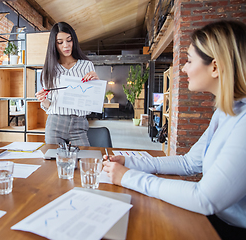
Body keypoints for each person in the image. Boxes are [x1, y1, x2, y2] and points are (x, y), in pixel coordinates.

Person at [103, 20, 246, 239]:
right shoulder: (224, 113)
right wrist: (129, 162)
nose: (183, 67)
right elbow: (188, 163)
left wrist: (127, 177)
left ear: (215, 67)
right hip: (215, 221)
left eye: (189, 60)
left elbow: (204, 199)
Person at [35, 22, 99, 146]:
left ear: (73, 40)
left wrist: (96, 84)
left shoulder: (86, 65)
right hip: (55, 123)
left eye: (69, 40)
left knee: (83, 160)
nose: (66, 45)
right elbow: (49, 105)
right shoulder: (49, 69)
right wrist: (43, 100)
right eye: (60, 42)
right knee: (53, 162)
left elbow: (93, 100)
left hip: (79, 124)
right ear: (54, 44)